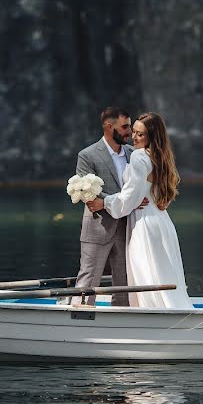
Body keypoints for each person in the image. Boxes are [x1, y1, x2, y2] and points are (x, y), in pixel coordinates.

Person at [86, 112, 193, 309]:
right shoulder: (162, 157)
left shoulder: (139, 157)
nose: (134, 137)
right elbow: (159, 194)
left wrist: (104, 203)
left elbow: (130, 197)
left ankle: (150, 315)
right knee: (162, 272)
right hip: (162, 222)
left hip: (144, 225)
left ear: (152, 136)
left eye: (140, 134)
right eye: (133, 132)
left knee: (145, 273)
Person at [72, 107, 138, 306]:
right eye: (125, 127)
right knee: (88, 276)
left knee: (125, 281)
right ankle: (78, 317)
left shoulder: (134, 154)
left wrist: (138, 198)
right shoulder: (87, 155)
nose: (130, 132)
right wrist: (124, 201)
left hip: (128, 227)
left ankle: (123, 321)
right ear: (109, 127)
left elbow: (139, 186)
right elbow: (87, 190)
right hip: (98, 226)